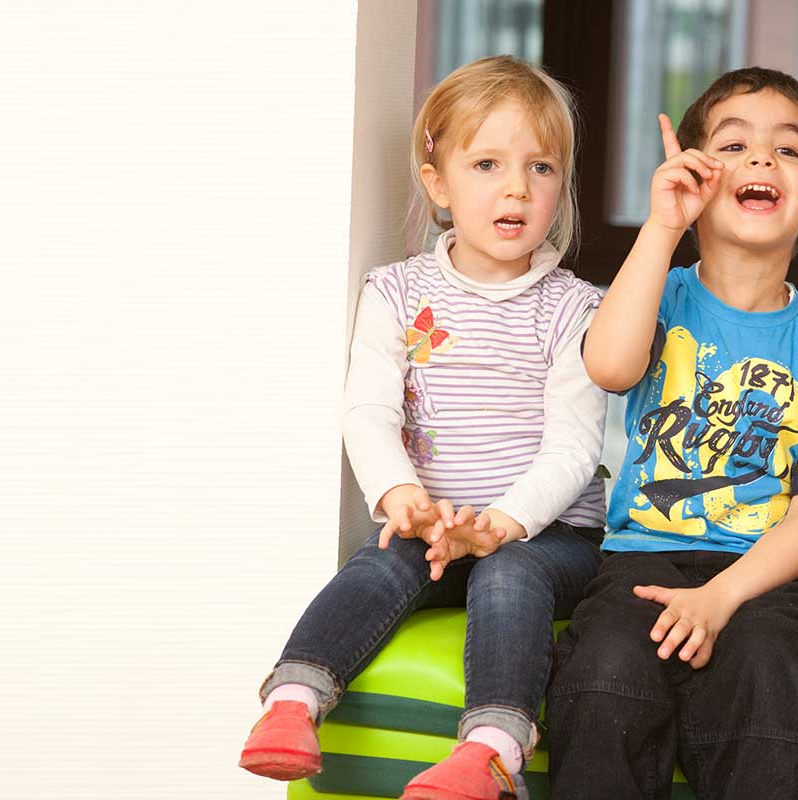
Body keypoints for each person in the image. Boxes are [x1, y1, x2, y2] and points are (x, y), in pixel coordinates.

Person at [237, 55, 606, 800]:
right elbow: (370, 411)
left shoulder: (573, 307)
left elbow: (575, 445)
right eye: (488, 164)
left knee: (509, 575)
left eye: (541, 168)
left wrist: (501, 524)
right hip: (435, 523)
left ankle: (494, 746)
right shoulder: (398, 291)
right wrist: (401, 495)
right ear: (438, 183)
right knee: (378, 562)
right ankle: (293, 699)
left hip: (546, 535)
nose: (516, 187)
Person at [544, 67, 798, 800]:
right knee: (604, 675)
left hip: (776, 577)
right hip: (642, 555)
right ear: (696, 176)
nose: (761, 160)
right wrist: (664, 225)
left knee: (768, 674)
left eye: (787, 151)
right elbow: (608, 363)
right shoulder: (656, 293)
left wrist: (723, 597)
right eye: (735, 145)